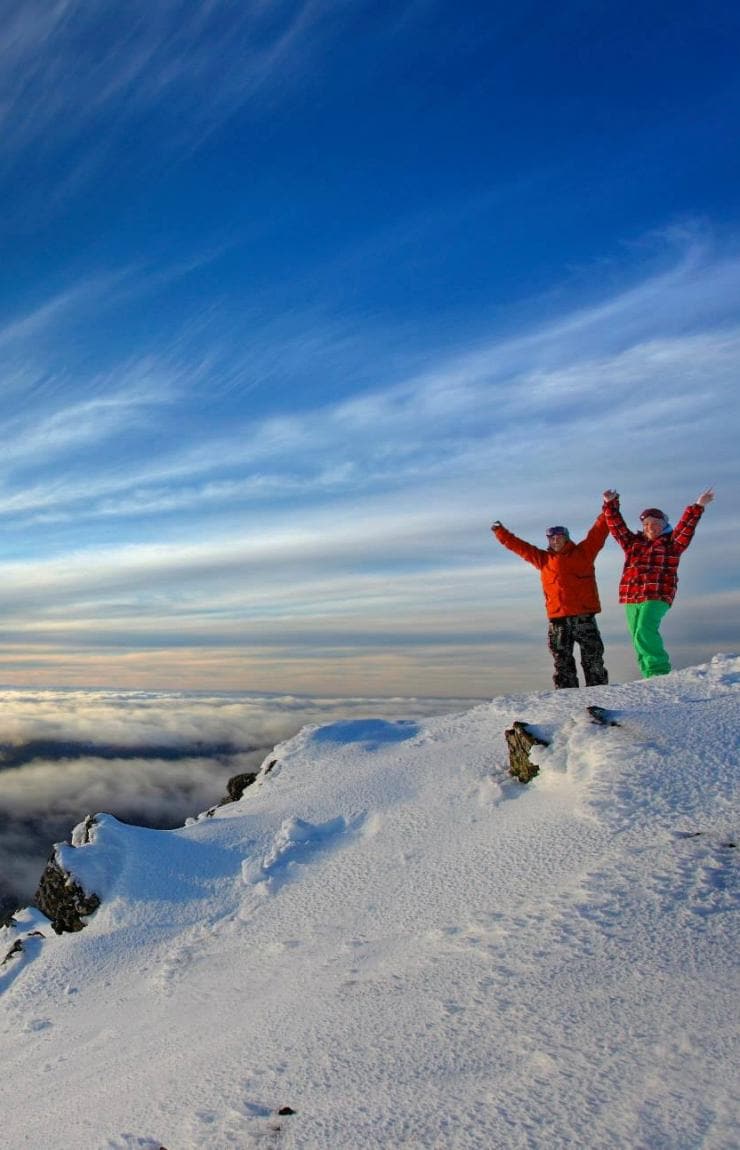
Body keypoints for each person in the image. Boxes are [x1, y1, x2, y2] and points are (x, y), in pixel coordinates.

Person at [601, 487, 715, 678]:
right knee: (637, 636)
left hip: (657, 594)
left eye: (655, 523)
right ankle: (648, 675)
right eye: (646, 524)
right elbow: (616, 527)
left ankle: (659, 672)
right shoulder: (633, 543)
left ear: (664, 525)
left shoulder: (672, 543)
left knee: (645, 629)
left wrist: (698, 506)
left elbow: (686, 528)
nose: (650, 527)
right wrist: (610, 503)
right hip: (632, 596)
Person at [490, 513, 609, 689]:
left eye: (559, 537)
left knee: (593, 658)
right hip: (558, 620)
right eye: (551, 538)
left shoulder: (584, 553)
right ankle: (565, 697)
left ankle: (599, 694)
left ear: (566, 538)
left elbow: (598, 532)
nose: (555, 541)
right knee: (562, 661)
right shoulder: (543, 559)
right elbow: (519, 547)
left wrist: (609, 506)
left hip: (583, 617)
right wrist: (500, 532)